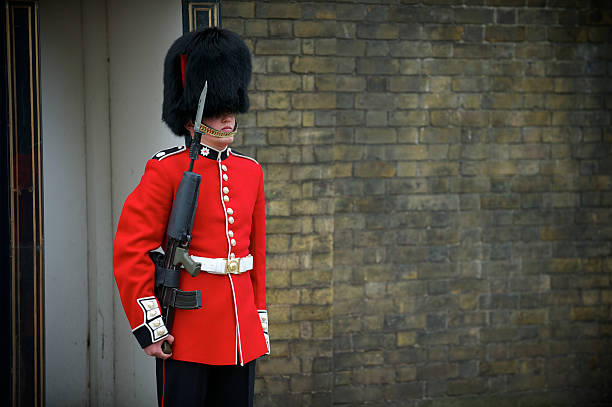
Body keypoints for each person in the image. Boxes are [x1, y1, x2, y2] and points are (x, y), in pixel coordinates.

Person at [113, 27, 269, 407]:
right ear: (191, 119)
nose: (228, 117)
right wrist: (151, 327)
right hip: (187, 333)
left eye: (231, 107)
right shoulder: (167, 170)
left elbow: (256, 257)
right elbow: (131, 250)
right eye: (217, 110)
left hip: (239, 333)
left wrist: (257, 320)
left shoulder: (251, 171)